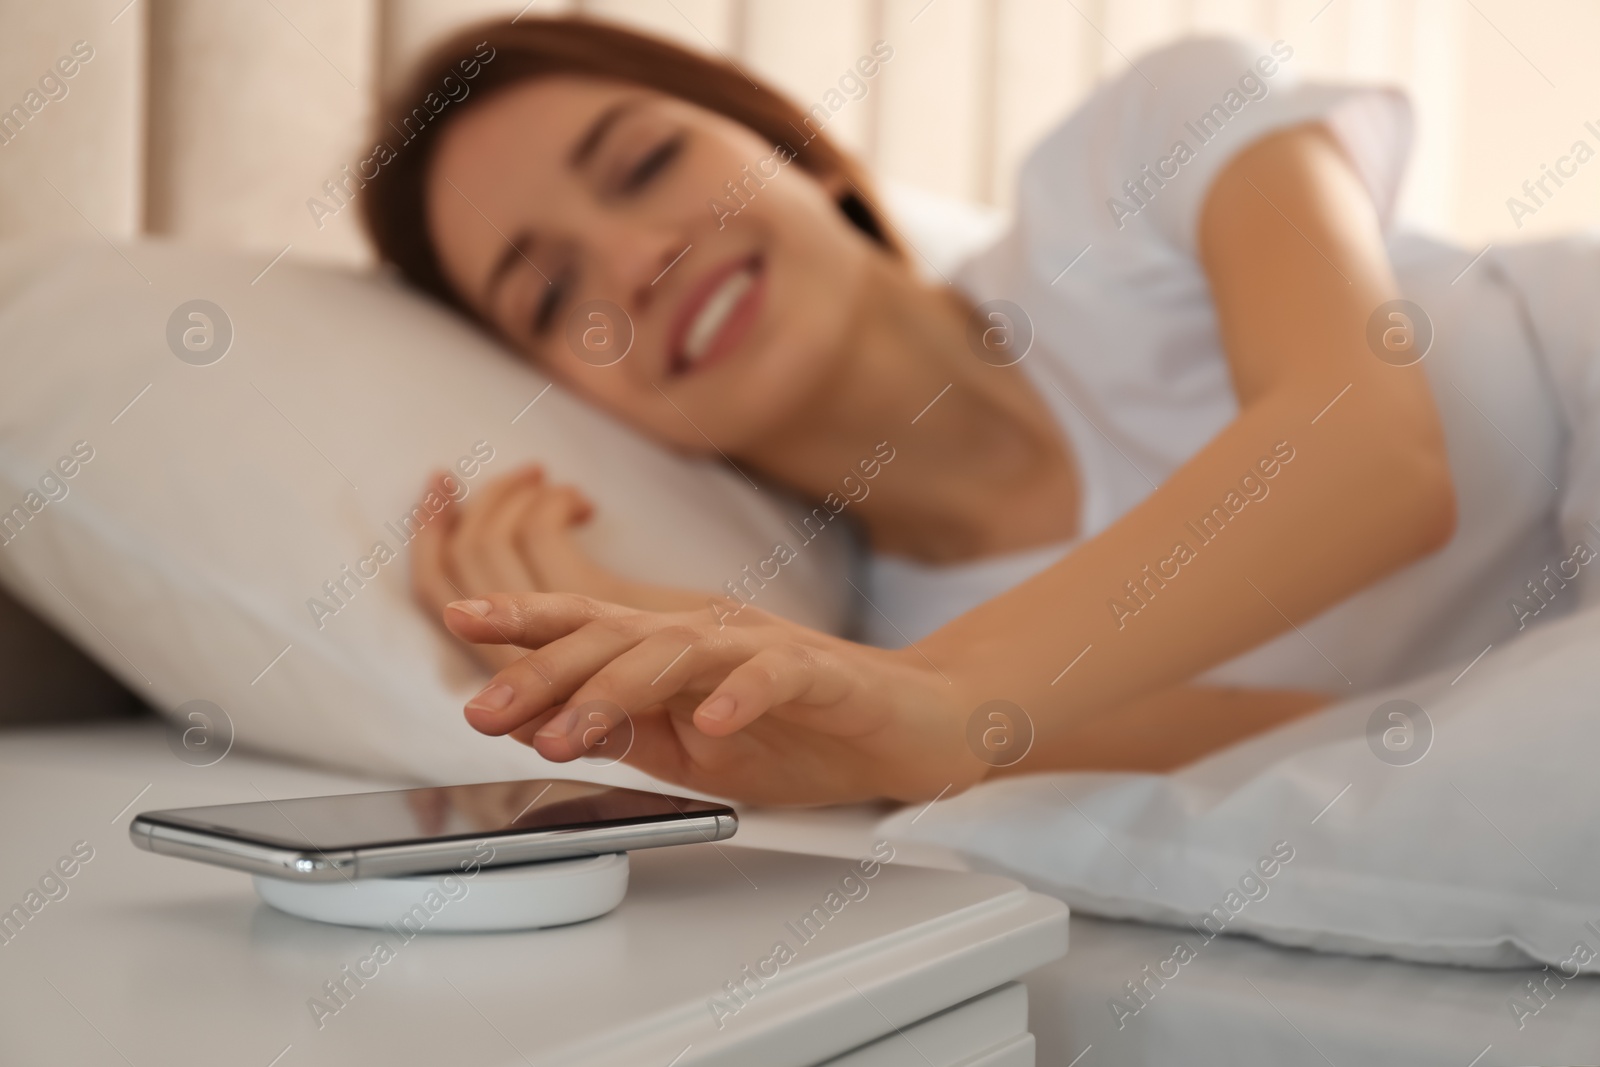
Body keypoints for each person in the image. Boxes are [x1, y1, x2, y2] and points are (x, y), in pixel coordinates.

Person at [361, 17, 1598, 805]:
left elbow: (1368, 456)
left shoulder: (1135, 154)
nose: (636, 260)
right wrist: (819, 680)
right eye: (552, 293)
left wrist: (937, 703)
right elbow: (1366, 741)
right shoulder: (901, 653)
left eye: (645, 166)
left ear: (804, 154)